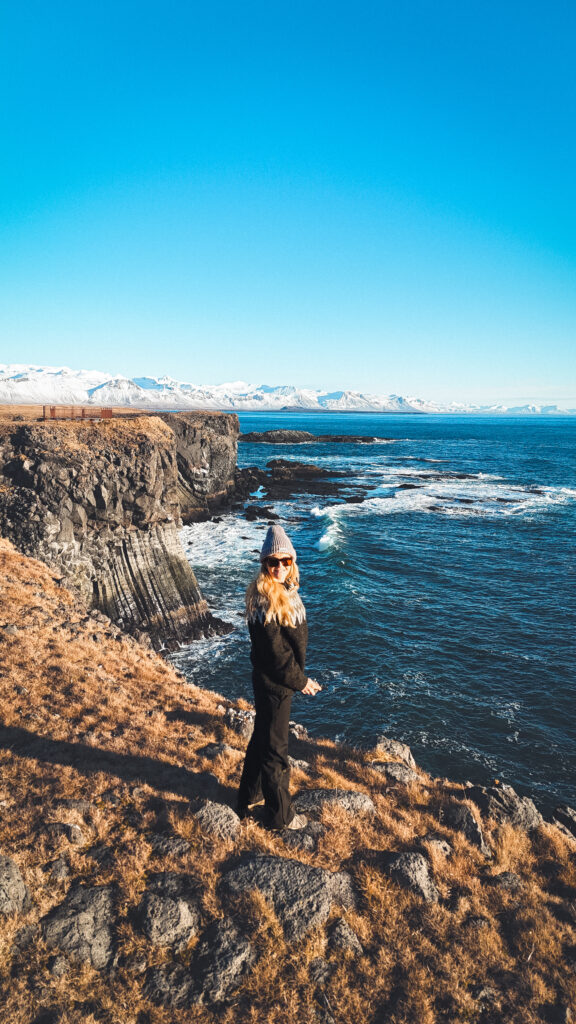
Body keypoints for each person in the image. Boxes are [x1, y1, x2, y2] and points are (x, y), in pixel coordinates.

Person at [237, 524, 321, 830]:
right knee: (276, 751)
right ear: (264, 564)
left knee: (262, 741)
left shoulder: (285, 592)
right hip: (275, 685)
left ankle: (247, 798)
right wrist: (302, 681)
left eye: (286, 561)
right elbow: (276, 655)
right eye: (273, 562)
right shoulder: (265, 602)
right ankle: (279, 817)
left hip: (274, 682)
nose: (280, 568)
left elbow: (283, 649)